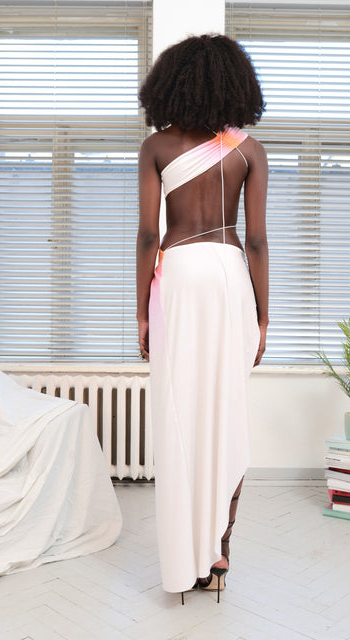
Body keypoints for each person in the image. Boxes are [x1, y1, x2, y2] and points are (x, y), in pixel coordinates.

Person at [136, 33, 268, 604]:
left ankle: (183, 558)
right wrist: (263, 317)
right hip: (230, 274)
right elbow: (257, 241)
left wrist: (142, 314)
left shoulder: (157, 146)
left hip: (179, 275)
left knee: (178, 412)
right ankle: (219, 551)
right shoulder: (248, 150)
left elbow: (149, 235)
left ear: (171, 84)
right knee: (226, 409)